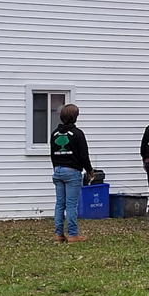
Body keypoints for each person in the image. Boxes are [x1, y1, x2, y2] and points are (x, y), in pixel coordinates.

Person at [50, 104, 93, 243]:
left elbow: (52, 154)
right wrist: (89, 170)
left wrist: (56, 168)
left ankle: (58, 234)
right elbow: (83, 155)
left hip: (58, 170)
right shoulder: (78, 134)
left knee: (59, 204)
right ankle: (73, 235)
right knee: (71, 204)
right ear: (74, 117)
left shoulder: (55, 133)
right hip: (72, 172)